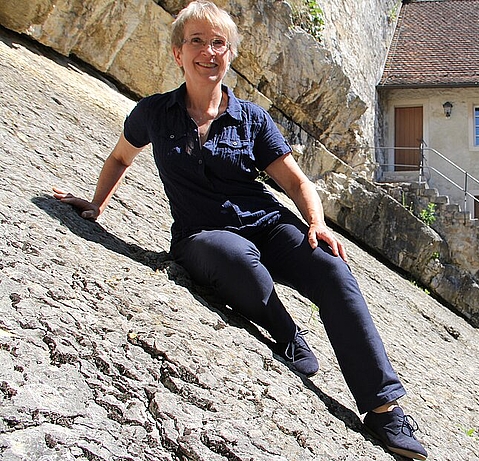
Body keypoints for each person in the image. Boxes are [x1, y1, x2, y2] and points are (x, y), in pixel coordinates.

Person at [53, 1, 427, 459]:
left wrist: (316, 223)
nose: (208, 52)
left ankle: (384, 409)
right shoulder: (154, 113)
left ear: (229, 54)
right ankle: (285, 331)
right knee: (239, 263)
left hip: (267, 223)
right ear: (177, 53)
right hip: (203, 234)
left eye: (218, 43)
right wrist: (95, 204)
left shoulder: (251, 118)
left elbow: (295, 181)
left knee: (334, 273)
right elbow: (119, 157)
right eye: (196, 41)